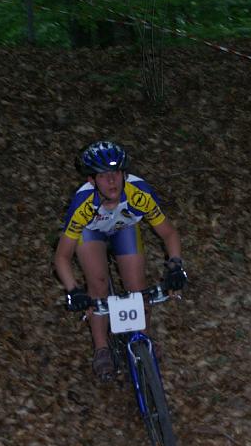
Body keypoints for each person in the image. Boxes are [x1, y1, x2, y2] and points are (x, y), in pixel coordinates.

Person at [54, 140, 187, 380]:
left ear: (124, 174)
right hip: (91, 231)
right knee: (98, 284)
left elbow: (169, 233)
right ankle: (101, 348)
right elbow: (62, 256)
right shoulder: (83, 204)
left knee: (137, 287)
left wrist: (176, 265)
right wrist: (73, 290)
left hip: (124, 227)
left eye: (116, 173)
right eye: (103, 176)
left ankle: (142, 337)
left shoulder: (139, 193)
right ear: (91, 181)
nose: (112, 181)